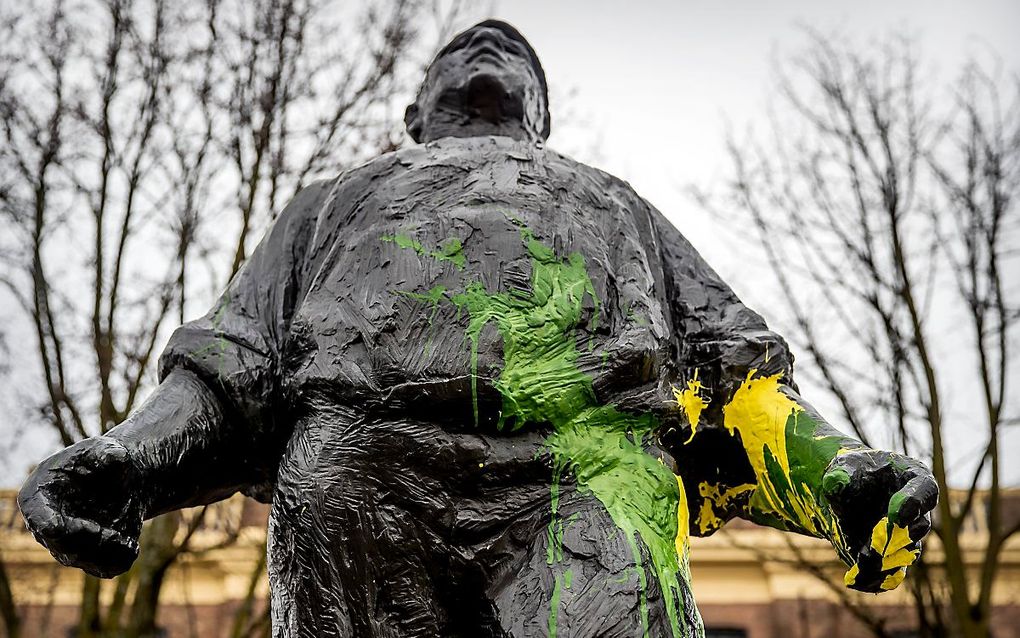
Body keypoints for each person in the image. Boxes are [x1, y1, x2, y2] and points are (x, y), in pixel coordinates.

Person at [19, 20, 937, 638]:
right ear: (415, 116)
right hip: (359, 487)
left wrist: (838, 476)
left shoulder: (615, 203)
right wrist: (127, 459)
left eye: (519, 59)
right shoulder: (332, 202)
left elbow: (735, 375)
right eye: (460, 49)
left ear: (541, 122)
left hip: (589, 485)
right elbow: (234, 362)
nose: (493, 42)